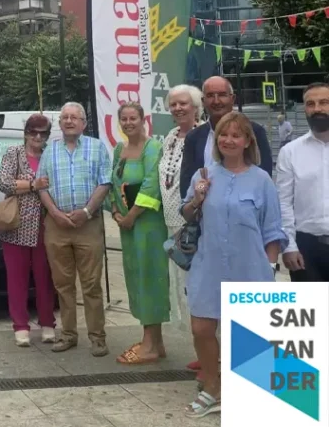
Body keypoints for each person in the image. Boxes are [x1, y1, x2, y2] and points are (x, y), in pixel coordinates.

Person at [181, 111, 286, 419]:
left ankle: (250, 394)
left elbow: (273, 229)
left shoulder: (262, 180)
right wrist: (197, 199)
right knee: (201, 327)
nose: (228, 140)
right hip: (208, 263)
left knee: (247, 334)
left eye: (235, 135)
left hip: (250, 266)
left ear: (247, 141)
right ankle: (213, 388)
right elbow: (187, 214)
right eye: (223, 135)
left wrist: (270, 268)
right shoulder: (203, 174)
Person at [36, 102, 112, 356]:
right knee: (63, 284)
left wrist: (87, 212)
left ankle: (97, 337)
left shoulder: (97, 147)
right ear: (60, 124)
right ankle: (68, 335)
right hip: (56, 226)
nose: (69, 121)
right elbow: (42, 186)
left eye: (74, 117)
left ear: (83, 123)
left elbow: (104, 182)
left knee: (91, 284)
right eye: (65, 118)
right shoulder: (50, 151)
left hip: (88, 224)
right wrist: (55, 214)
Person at [108, 103, 168, 364]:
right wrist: (115, 211)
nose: (129, 122)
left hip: (148, 225)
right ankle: (155, 342)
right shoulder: (119, 149)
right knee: (135, 276)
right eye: (124, 119)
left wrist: (131, 216)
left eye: (134, 118)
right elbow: (113, 181)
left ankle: (150, 342)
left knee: (150, 277)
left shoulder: (152, 148)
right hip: (127, 227)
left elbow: (152, 184)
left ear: (144, 120)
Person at [0, 114, 56, 347]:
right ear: (26, 132)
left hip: (48, 225)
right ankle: (20, 325)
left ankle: (48, 323)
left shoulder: (52, 153)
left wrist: (24, 185)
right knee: (17, 279)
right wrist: (33, 185)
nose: (37, 137)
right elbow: (4, 182)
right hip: (16, 225)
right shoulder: (14, 153)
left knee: (46, 279)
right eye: (33, 132)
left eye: (43, 133)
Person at [157, 84, 204, 374]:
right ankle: (202, 350)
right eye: (173, 104)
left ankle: (217, 353)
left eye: (183, 103)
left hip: (196, 224)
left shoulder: (205, 135)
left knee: (200, 289)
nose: (177, 109)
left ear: (196, 106)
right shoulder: (170, 138)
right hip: (172, 224)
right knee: (184, 290)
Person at [180, 76, 273, 199]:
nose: (216, 101)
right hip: (206, 215)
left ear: (232, 99)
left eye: (222, 95)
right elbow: (187, 186)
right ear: (203, 101)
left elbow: (264, 178)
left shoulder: (254, 132)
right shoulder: (194, 138)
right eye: (210, 95)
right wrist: (200, 197)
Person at [276, 82, 329, 282]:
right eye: (310, 104)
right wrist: (289, 246)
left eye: (324, 102)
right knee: (313, 313)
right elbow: (283, 203)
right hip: (306, 251)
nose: (317, 109)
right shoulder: (290, 152)